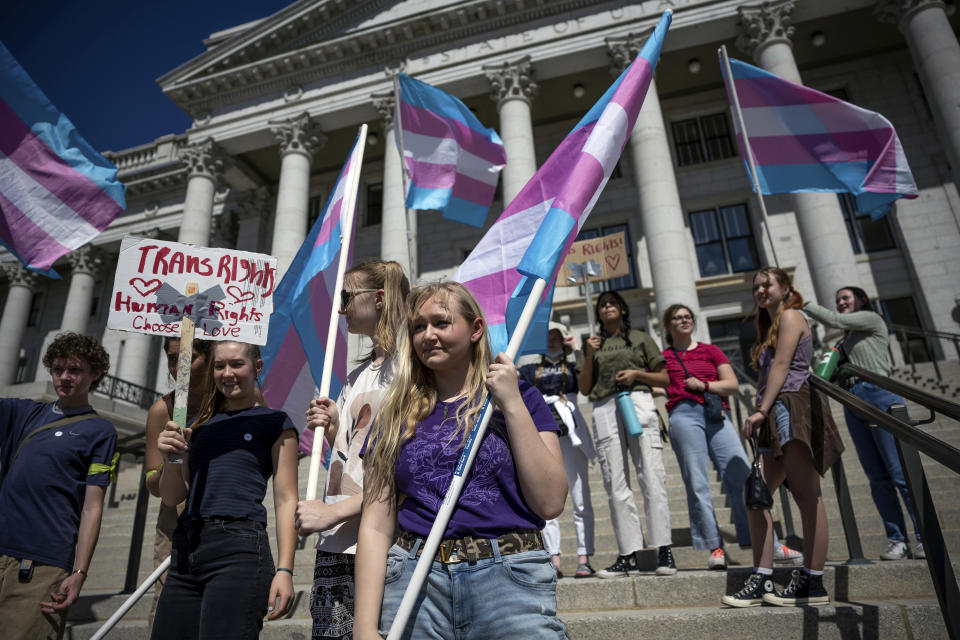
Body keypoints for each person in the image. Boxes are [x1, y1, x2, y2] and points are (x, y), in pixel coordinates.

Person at [354, 282, 568, 639]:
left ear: (476, 329)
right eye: (419, 326)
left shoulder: (523, 397)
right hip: (415, 581)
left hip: (510, 581)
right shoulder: (394, 412)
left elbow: (550, 501)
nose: (428, 335)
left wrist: (511, 404)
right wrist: (363, 627)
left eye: (441, 322)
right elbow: (375, 526)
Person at [294, 260, 409, 640]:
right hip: (338, 539)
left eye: (346, 296)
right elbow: (353, 456)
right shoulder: (360, 373)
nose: (340, 308)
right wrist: (333, 428)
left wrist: (332, 513)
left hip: (379, 539)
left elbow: (401, 467)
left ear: (378, 299)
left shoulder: (409, 367)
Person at [152, 341, 299, 638]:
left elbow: (285, 500)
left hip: (239, 548)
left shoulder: (274, 422)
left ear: (257, 367)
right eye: (219, 366)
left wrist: (285, 570)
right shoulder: (196, 426)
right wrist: (171, 458)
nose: (227, 373)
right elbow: (172, 496)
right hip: (186, 548)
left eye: (236, 364)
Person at [722, 267, 844, 608]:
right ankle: (761, 576)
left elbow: (782, 366)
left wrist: (760, 409)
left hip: (790, 406)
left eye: (767, 284)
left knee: (807, 495)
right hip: (774, 413)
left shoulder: (791, 315)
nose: (760, 290)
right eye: (756, 286)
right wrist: (765, 413)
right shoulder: (769, 324)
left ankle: (813, 581)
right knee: (755, 493)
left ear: (785, 287)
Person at [0, 332, 117, 640]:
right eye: (57, 369)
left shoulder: (101, 431)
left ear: (95, 374)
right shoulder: (24, 413)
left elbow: (93, 505)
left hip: (44, 563)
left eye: (75, 370)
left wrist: (79, 572)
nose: (64, 377)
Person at [804, 286, 923, 560]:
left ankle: (923, 536)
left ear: (861, 300)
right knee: (877, 478)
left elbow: (835, 320)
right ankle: (897, 539)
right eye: (838, 300)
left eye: (845, 298)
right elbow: (830, 373)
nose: (841, 302)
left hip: (879, 393)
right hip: (853, 399)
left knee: (899, 472)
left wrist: (806, 304)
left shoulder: (871, 319)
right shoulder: (846, 343)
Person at [577, 290, 674, 578]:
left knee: (652, 476)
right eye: (602, 305)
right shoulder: (593, 344)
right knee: (615, 484)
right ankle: (627, 553)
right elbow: (584, 388)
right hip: (605, 406)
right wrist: (590, 354)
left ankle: (664, 549)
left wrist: (636, 374)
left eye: (612, 304)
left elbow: (664, 377)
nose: (607, 308)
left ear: (622, 309)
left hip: (638, 402)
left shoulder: (641, 338)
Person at [661, 303, 751, 570]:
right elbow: (657, 382)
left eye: (688, 317)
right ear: (668, 325)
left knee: (742, 476)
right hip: (683, 415)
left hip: (716, 413)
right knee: (697, 483)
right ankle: (715, 546)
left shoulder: (710, 350)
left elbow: (732, 384)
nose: (684, 320)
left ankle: (761, 538)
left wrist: (706, 385)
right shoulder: (664, 357)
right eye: (677, 317)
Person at [143, 337, 212, 629]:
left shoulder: (235, 401)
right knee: (167, 609)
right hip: (175, 520)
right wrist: (170, 461)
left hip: (223, 517)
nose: (180, 367)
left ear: (209, 358)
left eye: (189, 358)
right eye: (173, 359)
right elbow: (152, 484)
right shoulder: (163, 410)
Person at [519, 321, 596, 579]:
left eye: (557, 337)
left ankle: (584, 556)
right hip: (543, 433)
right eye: (548, 336)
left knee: (580, 496)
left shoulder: (574, 367)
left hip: (571, 433)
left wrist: (577, 351)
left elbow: (587, 384)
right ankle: (554, 557)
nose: (552, 341)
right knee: (546, 495)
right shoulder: (530, 368)